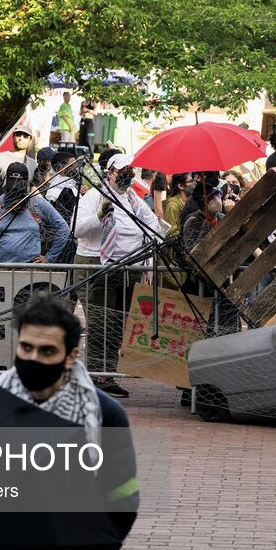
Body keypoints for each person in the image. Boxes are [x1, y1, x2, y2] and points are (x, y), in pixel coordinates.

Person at [0, 292, 138, 542]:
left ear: (71, 356)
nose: (33, 358)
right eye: (26, 347)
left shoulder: (106, 414)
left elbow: (122, 497)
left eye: (47, 351)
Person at [73, 153, 166, 399]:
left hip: (126, 267)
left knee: (116, 322)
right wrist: (99, 216)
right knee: (99, 321)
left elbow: (152, 223)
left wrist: (150, 247)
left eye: (130, 170)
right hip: (96, 264)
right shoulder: (94, 197)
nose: (126, 174)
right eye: (122, 170)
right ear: (110, 172)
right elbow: (78, 229)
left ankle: (108, 374)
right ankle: (95, 375)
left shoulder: (133, 199)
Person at [0, 162, 71, 263]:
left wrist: (49, 258)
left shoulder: (36, 203)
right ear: (6, 181)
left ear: (27, 182)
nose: (15, 190)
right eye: (12, 184)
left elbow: (64, 228)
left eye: (18, 185)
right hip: (1, 267)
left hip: (30, 268)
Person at [0, 124, 38, 201]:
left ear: (30, 140)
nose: (21, 138)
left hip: (24, 209)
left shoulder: (34, 164)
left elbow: (34, 189)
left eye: (25, 136)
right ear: (13, 137)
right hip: (2, 209)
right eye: (18, 135)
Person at [162, 173, 191, 238]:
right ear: (180, 186)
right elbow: (170, 234)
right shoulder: (172, 206)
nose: (194, 184)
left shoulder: (191, 202)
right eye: (190, 181)